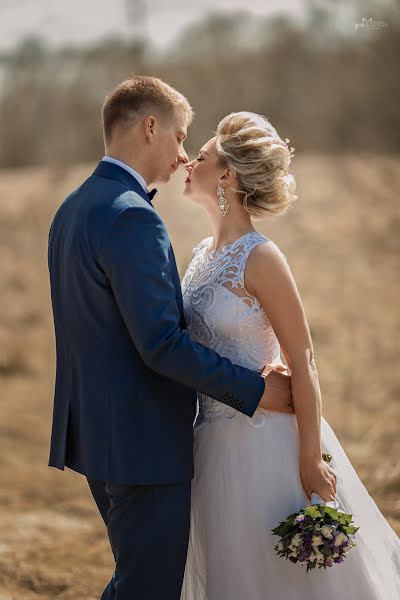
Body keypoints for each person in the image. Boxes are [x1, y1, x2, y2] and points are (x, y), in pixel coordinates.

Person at [47, 78, 294, 600]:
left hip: (97, 435)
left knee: (138, 581)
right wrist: (255, 391)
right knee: (149, 589)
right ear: (150, 127)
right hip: (144, 443)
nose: (183, 155)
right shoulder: (133, 216)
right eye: (181, 138)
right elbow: (159, 343)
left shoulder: (74, 208)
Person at [180, 111, 400, 600]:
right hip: (210, 445)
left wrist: (308, 461)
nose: (187, 162)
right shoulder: (199, 255)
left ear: (227, 176)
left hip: (266, 444)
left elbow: (303, 360)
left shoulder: (261, 256)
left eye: (201, 156)